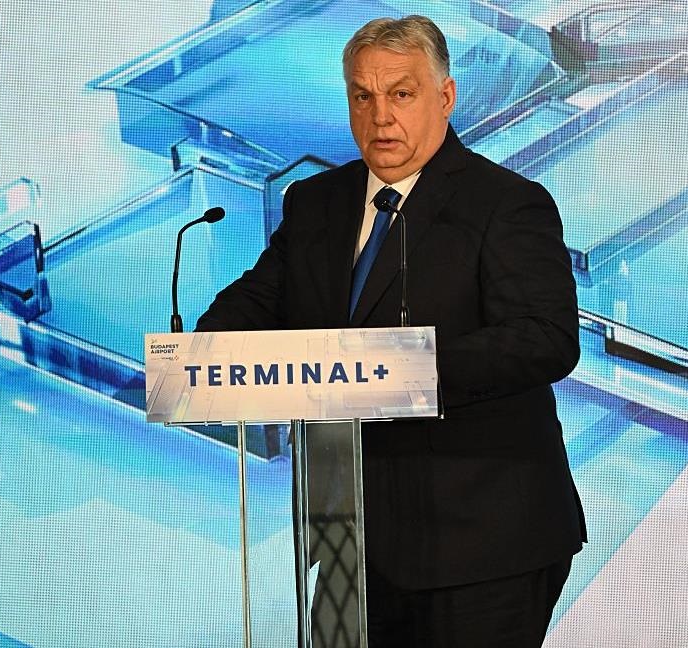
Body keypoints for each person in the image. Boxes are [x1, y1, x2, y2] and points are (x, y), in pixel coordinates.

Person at [197, 15, 585, 647]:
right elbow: (256, 302)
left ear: (445, 96)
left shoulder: (506, 203)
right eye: (363, 95)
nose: (380, 116)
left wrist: (397, 370)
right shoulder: (316, 203)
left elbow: (544, 338)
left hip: (481, 549)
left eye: (401, 93)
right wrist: (204, 359)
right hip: (345, 541)